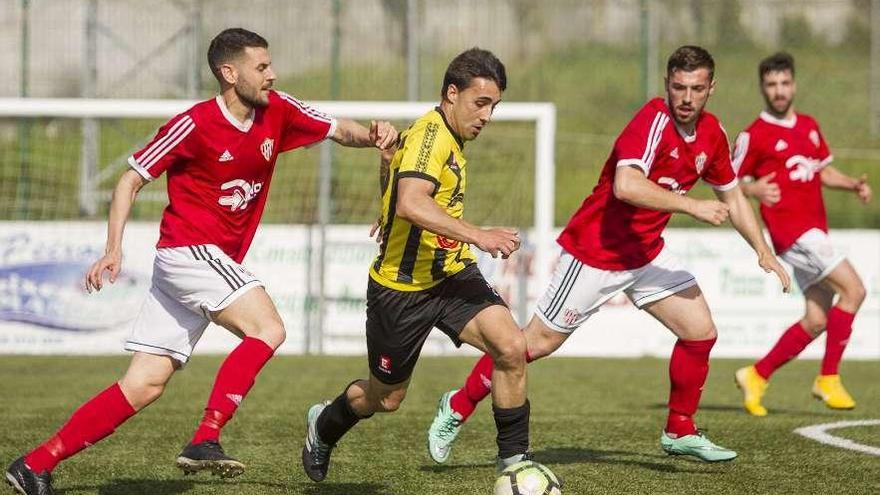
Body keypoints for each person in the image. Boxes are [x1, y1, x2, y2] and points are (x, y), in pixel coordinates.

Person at [4, 28, 397, 495]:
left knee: (144, 384)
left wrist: (374, 135)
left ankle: (35, 464)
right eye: (262, 67)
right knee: (268, 328)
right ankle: (207, 435)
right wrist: (113, 249)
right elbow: (130, 180)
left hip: (199, 263)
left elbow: (337, 129)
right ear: (230, 73)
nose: (272, 75)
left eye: (270, 65)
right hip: (188, 252)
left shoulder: (279, 109)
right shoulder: (192, 124)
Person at [426, 45, 791, 465]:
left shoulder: (713, 134)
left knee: (700, 330)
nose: (686, 98)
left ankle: (680, 429)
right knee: (531, 346)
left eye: (696, 88)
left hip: (645, 254)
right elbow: (626, 186)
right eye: (678, 87)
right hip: (596, 252)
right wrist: (692, 206)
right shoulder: (652, 120)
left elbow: (733, 197)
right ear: (667, 85)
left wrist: (764, 251)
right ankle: (456, 406)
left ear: (712, 88)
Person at [301, 48, 531, 483]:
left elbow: (396, 194)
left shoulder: (445, 135)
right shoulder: (432, 136)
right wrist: (480, 235)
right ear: (451, 93)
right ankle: (323, 425)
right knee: (384, 399)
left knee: (512, 348)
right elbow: (411, 203)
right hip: (401, 290)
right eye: (480, 103)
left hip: (450, 274)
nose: (487, 116)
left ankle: (514, 468)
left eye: (493, 107)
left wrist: (387, 191)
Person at [732, 52, 872, 416]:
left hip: (814, 231)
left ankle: (756, 375)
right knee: (854, 290)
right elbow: (728, 182)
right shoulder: (754, 135)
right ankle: (828, 378)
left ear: (793, 84)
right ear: (763, 88)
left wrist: (852, 184)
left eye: (784, 83)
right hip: (793, 233)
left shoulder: (808, 125)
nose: (778, 91)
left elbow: (823, 172)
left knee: (817, 319)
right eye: (771, 85)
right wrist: (754, 190)